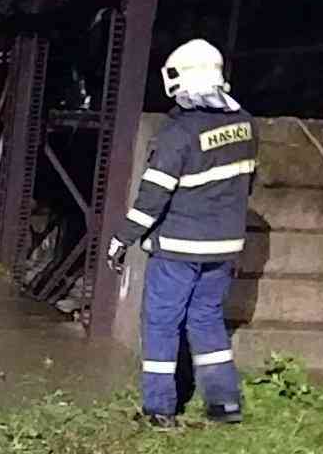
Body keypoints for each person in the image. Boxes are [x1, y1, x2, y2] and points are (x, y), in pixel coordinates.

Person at [107, 38, 257, 428]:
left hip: (178, 248)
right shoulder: (245, 125)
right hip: (224, 247)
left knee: (161, 323)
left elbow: (152, 197)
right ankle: (224, 405)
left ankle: (160, 410)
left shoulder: (178, 133)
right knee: (207, 319)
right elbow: (247, 183)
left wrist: (122, 238)